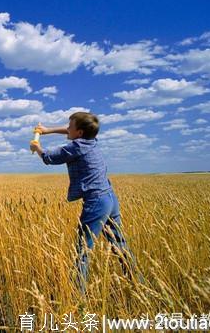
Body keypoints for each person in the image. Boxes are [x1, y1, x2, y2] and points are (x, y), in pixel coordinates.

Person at [30, 112, 143, 295]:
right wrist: (47, 130)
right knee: (119, 244)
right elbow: (70, 130)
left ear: (80, 132)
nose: (67, 128)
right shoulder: (90, 141)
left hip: (96, 202)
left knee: (82, 250)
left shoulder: (76, 147)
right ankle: (138, 284)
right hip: (109, 197)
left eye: (70, 126)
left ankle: (77, 296)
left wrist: (38, 148)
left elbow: (50, 158)